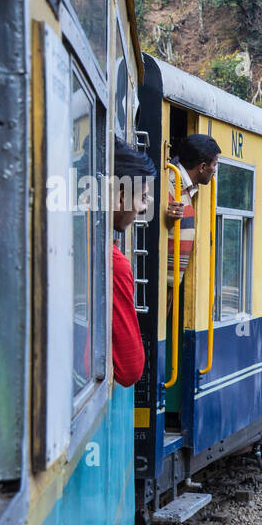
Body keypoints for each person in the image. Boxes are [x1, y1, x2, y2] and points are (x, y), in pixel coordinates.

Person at [110, 139, 155, 387]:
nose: (143, 207)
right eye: (143, 197)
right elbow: (130, 369)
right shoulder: (114, 264)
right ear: (121, 196)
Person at [163, 134, 221, 287]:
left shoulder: (185, 188)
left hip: (169, 283)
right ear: (202, 167)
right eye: (214, 165)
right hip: (162, 282)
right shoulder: (170, 184)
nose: (214, 170)